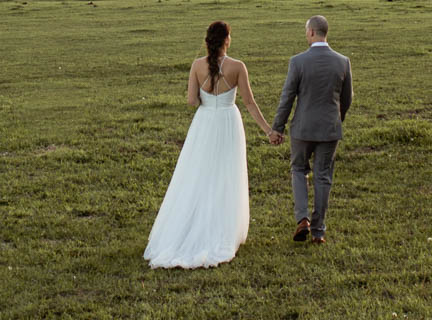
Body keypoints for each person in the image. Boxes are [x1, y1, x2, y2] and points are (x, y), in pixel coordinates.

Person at [144, 20, 281, 269]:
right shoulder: (238, 67)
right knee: (226, 175)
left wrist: (205, 94)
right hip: (228, 121)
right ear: (226, 40)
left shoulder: (197, 66)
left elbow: (191, 101)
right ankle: (222, 227)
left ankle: (192, 226)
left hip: (204, 124)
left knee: (198, 173)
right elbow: (249, 102)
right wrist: (269, 131)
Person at [272, 15, 353, 246]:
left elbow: (287, 97)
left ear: (311, 33)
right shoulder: (343, 61)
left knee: (298, 170)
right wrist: (337, 119)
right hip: (329, 128)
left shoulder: (298, 62)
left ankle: (303, 218)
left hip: (302, 128)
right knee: (323, 176)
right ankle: (318, 231)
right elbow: (347, 98)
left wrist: (277, 127)